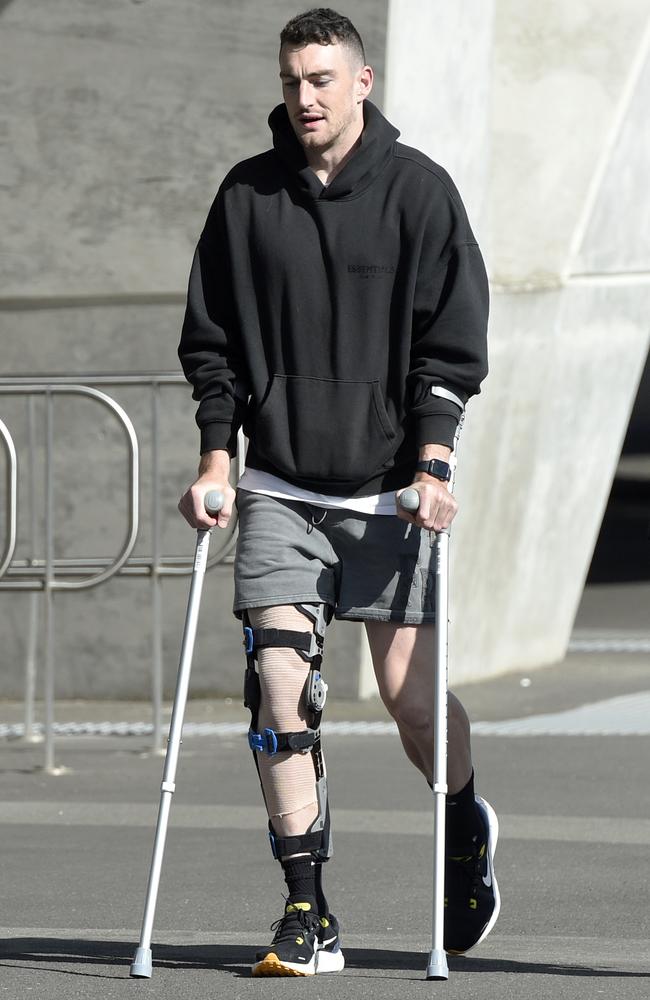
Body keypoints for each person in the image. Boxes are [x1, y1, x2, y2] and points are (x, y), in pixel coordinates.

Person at [178, 7, 499, 978]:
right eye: (290, 81)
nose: (303, 98)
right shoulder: (245, 198)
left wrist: (433, 460)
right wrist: (215, 458)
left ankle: (461, 817)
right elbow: (214, 347)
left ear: (361, 81)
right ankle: (305, 905)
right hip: (277, 482)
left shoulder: (419, 193)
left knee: (409, 706)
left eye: (321, 79)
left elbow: (451, 348)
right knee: (278, 680)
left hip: (388, 490)